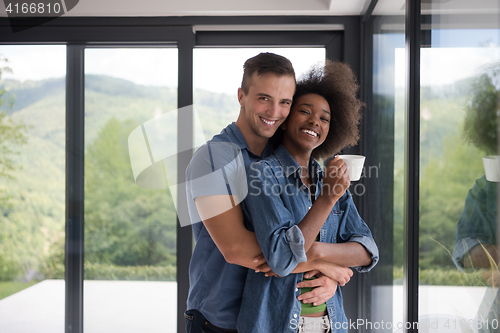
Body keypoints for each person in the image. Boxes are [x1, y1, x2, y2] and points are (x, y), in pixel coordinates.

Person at [185, 53, 343, 333]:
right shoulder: (213, 158)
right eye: (264, 98)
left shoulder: (283, 159)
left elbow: (311, 234)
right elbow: (237, 249)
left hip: (271, 318)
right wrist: (328, 265)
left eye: (285, 102)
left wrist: (328, 271)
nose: (274, 112)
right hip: (220, 320)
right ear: (241, 96)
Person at [237, 60, 379, 333]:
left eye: (325, 118)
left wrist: (319, 256)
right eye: (304, 111)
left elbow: (368, 251)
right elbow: (280, 259)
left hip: (328, 323)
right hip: (274, 323)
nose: (315, 120)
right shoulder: (262, 175)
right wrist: (327, 200)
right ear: (285, 119)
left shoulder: (331, 180)